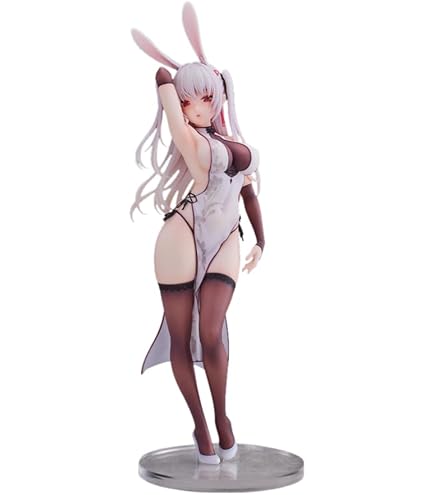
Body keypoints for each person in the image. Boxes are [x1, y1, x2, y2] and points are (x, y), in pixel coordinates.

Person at [130, 2, 265, 464]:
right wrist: (178, 74)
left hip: (227, 236)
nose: (197, 107)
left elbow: (248, 193)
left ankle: (222, 418)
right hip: (183, 234)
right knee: (180, 331)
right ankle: (201, 427)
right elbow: (164, 84)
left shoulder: (234, 140)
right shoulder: (191, 139)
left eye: (206, 97)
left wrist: (262, 240)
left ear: (219, 95)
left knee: (210, 331)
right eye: (189, 101)